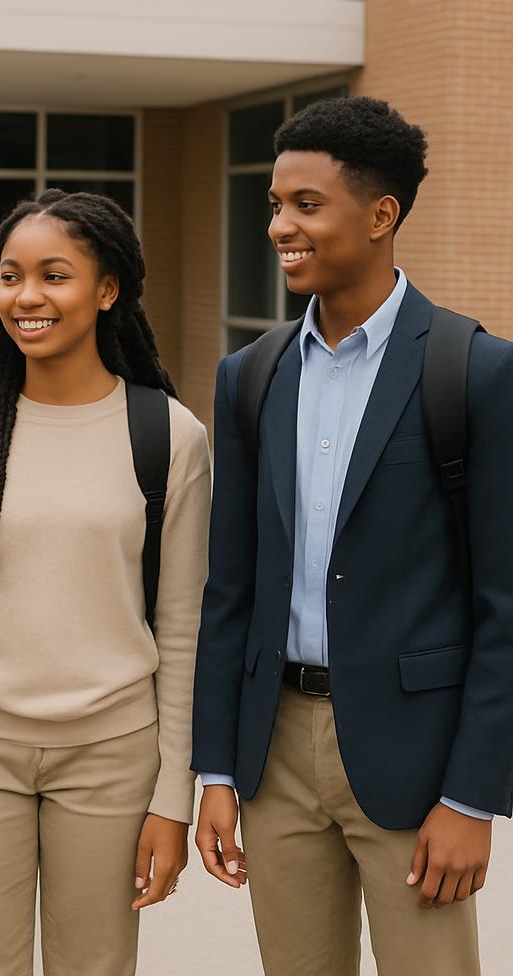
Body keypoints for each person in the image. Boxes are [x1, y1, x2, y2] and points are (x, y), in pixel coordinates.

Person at [191, 96, 512, 975]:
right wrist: (216, 770)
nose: (279, 227)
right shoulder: (248, 377)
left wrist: (471, 797)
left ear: (381, 216)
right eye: (273, 204)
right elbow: (231, 588)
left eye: (305, 205)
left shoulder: (475, 370)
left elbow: (504, 606)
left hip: (415, 758)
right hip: (276, 753)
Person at [0, 189, 211, 976]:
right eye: (9, 276)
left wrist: (172, 795)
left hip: (113, 754)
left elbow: (183, 628)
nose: (26, 297)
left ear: (107, 289)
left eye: (53, 276)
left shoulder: (168, 434)